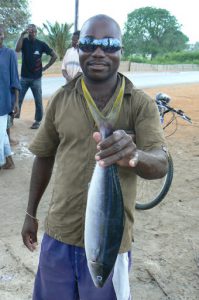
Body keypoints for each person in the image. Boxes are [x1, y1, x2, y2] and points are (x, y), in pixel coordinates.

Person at [21, 15, 168, 299]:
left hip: (110, 245)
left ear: (120, 51)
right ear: (78, 48)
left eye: (110, 44)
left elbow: (160, 163)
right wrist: (30, 213)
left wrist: (134, 155)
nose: (99, 52)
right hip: (59, 235)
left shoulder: (140, 105)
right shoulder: (62, 99)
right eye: (89, 43)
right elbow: (43, 157)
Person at [15, 24, 57, 129]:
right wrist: (21, 35)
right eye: (30, 31)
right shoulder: (24, 42)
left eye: (34, 31)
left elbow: (54, 55)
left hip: (36, 79)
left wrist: (46, 67)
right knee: (18, 99)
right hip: (24, 78)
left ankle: (38, 121)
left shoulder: (41, 44)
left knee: (38, 101)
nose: (32, 33)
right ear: (27, 32)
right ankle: (14, 118)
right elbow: (17, 49)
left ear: (36, 32)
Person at [0, 25, 20, 170]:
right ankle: (9, 162)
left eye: (0, 33)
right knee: (2, 134)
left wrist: (17, 102)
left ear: (3, 35)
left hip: (4, 101)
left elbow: (15, 80)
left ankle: (1, 163)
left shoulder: (10, 54)